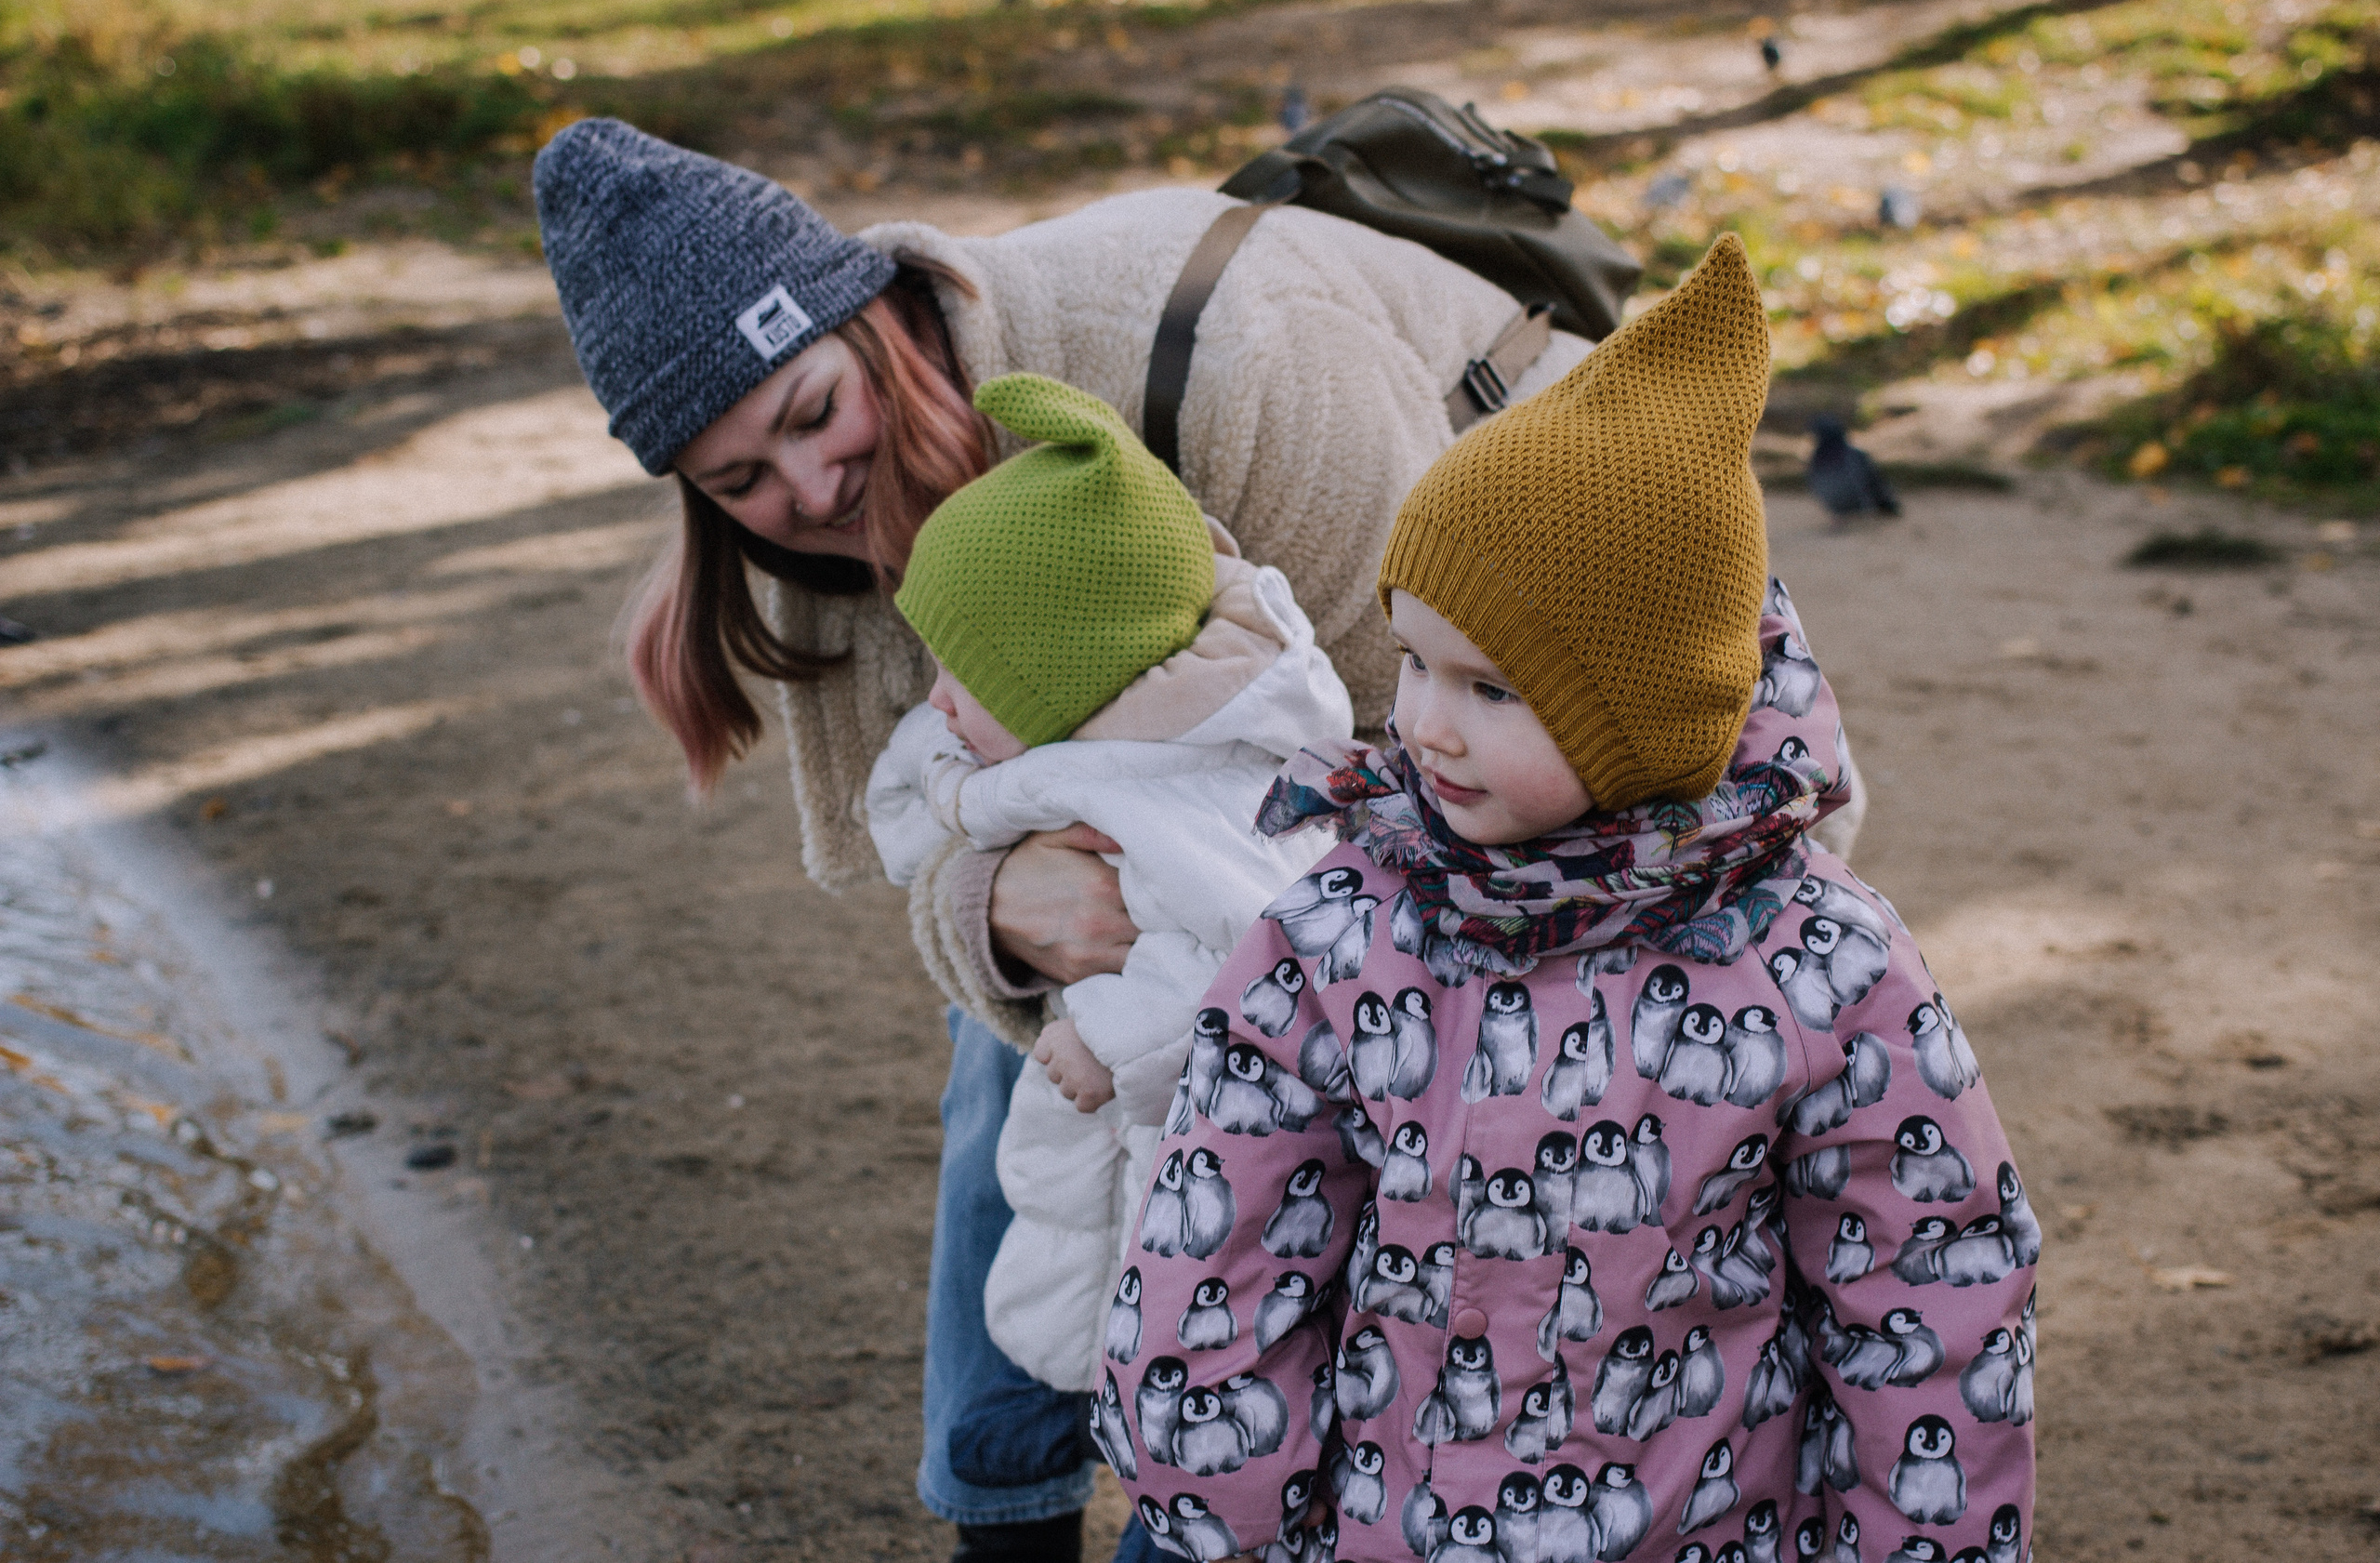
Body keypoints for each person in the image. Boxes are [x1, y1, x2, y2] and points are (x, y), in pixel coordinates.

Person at [532, 119, 1871, 1561]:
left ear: (875, 319)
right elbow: (925, 834)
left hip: (1538, 682)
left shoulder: (1231, 358)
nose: (802, 492)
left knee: (1315, 1118)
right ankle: (1004, 1512)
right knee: (1031, 1056)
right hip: (1255, 747)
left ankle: (1223, 1513)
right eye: (737, 480)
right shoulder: (819, 525)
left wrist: (1225, 976)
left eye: (809, 415)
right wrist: (1002, 904)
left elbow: (1425, 749)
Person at [1105, 238, 2033, 1562]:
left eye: (1490, 687)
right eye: (1412, 658)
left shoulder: (1822, 966)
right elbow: (1225, 1238)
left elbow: (1932, 1289)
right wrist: (1228, 1514)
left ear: (1642, 716)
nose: (1423, 722)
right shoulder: (1345, 928)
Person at [868, 368, 1354, 1417]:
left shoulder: (1196, 781)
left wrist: (1116, 1039)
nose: (937, 702)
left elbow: (1253, 940)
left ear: (1071, 682)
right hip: (1104, 1129)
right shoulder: (1074, 732)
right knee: (1075, 1274)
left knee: (1181, 1321)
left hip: (1201, 1133)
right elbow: (924, 787)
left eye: (966, 681)